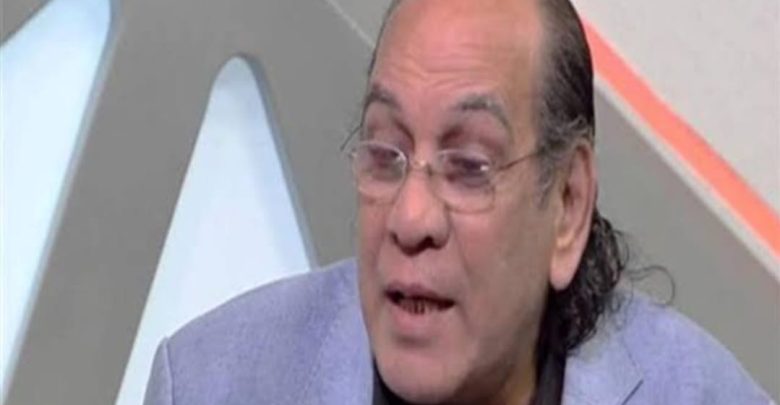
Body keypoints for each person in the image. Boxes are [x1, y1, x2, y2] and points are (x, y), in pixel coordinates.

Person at [144, 0, 772, 404]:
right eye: (386, 152)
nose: (410, 218)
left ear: (568, 205)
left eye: (469, 167)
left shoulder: (702, 395)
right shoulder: (208, 384)